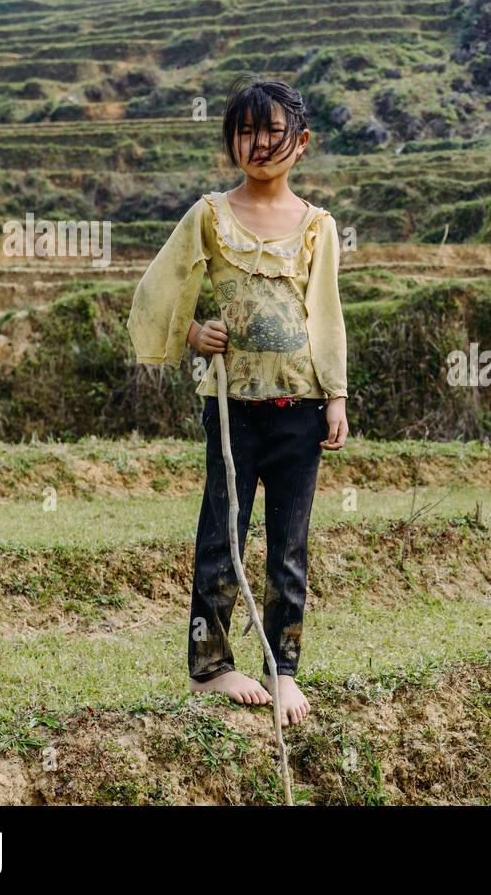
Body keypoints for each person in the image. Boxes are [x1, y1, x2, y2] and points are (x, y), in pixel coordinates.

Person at [126, 75, 348, 724]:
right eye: (244, 131)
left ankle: (284, 669)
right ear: (231, 142)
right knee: (221, 537)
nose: (257, 144)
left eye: (271, 132)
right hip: (231, 410)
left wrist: (335, 395)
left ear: (300, 143)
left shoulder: (317, 227)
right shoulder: (210, 215)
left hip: (300, 408)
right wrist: (192, 332)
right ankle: (212, 668)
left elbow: (327, 314)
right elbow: (157, 292)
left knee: (289, 547)